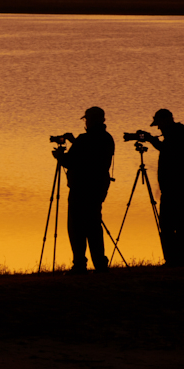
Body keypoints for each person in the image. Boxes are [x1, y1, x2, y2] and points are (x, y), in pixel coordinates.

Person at [52, 107, 115, 272]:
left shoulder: (84, 139)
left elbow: (70, 162)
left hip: (80, 189)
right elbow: (91, 155)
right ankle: (100, 264)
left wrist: (60, 156)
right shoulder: (107, 139)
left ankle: (79, 264)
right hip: (98, 188)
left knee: (77, 227)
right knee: (94, 225)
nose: (85, 122)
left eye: (86, 119)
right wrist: (75, 142)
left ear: (91, 120)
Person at [145, 108, 184, 266]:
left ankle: (175, 258)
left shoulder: (178, 133)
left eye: (159, 124)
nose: (158, 128)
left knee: (169, 223)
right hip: (176, 185)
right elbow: (167, 148)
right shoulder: (178, 132)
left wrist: (151, 140)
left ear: (165, 120)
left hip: (176, 185)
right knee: (176, 222)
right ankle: (179, 258)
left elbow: (169, 150)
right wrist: (152, 140)